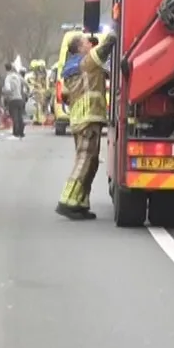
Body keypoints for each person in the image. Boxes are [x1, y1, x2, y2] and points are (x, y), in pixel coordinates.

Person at [56, 32, 115, 219]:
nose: (90, 44)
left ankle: (80, 202)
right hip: (88, 119)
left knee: (91, 161)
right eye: (86, 42)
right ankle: (67, 200)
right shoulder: (86, 63)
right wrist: (115, 31)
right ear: (79, 48)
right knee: (85, 160)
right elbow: (106, 47)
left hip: (80, 119)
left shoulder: (72, 67)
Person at [1, 62, 28, 138]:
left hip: (12, 99)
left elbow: (8, 89)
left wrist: (4, 91)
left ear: (6, 69)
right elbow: (25, 83)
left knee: (14, 116)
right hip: (19, 99)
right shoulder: (17, 76)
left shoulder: (8, 78)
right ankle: (21, 132)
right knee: (20, 116)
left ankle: (16, 132)